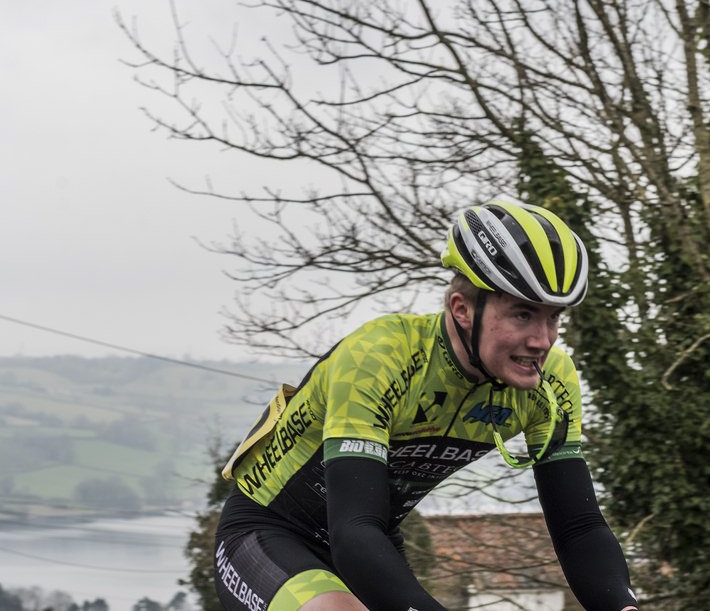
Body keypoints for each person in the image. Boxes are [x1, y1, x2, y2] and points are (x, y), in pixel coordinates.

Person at [213, 199, 640, 611]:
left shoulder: (551, 382)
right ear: (462, 309)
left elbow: (578, 527)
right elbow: (353, 529)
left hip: (373, 543)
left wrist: (622, 605)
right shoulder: (381, 355)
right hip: (271, 532)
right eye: (523, 315)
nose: (542, 340)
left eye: (553, 317)